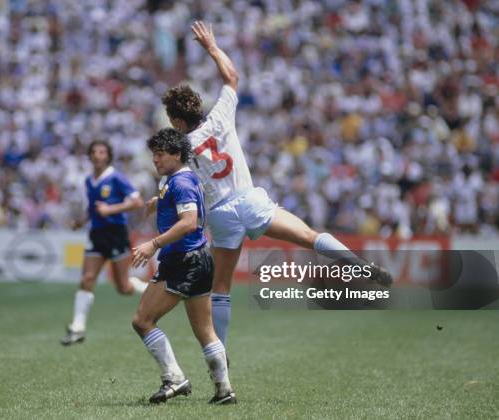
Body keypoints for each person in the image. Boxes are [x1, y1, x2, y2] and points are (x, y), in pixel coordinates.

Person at [161, 21, 392, 346]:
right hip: (249, 200)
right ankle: (361, 266)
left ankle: (222, 365)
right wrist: (212, 48)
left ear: (177, 121)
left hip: (220, 215)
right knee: (310, 237)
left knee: (221, 289)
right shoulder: (220, 116)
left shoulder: (180, 148)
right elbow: (232, 77)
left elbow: (175, 182)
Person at [131, 128, 236, 405]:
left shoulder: (181, 182)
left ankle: (174, 378)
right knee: (205, 330)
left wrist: (152, 245)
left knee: (142, 320)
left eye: (160, 154)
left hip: (183, 261)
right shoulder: (179, 178)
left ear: (177, 154)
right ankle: (224, 390)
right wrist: (159, 201)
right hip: (200, 257)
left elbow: (189, 221)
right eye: (153, 154)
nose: (155, 159)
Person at [61, 140, 147, 346]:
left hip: (116, 234)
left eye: (102, 152)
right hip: (97, 234)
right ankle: (77, 327)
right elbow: (93, 208)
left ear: (108, 156)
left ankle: (153, 290)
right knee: (87, 279)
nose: (98, 155)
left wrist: (111, 209)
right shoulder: (89, 181)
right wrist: (81, 222)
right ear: (89, 156)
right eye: (94, 152)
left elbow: (137, 201)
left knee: (124, 287)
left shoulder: (116, 177)